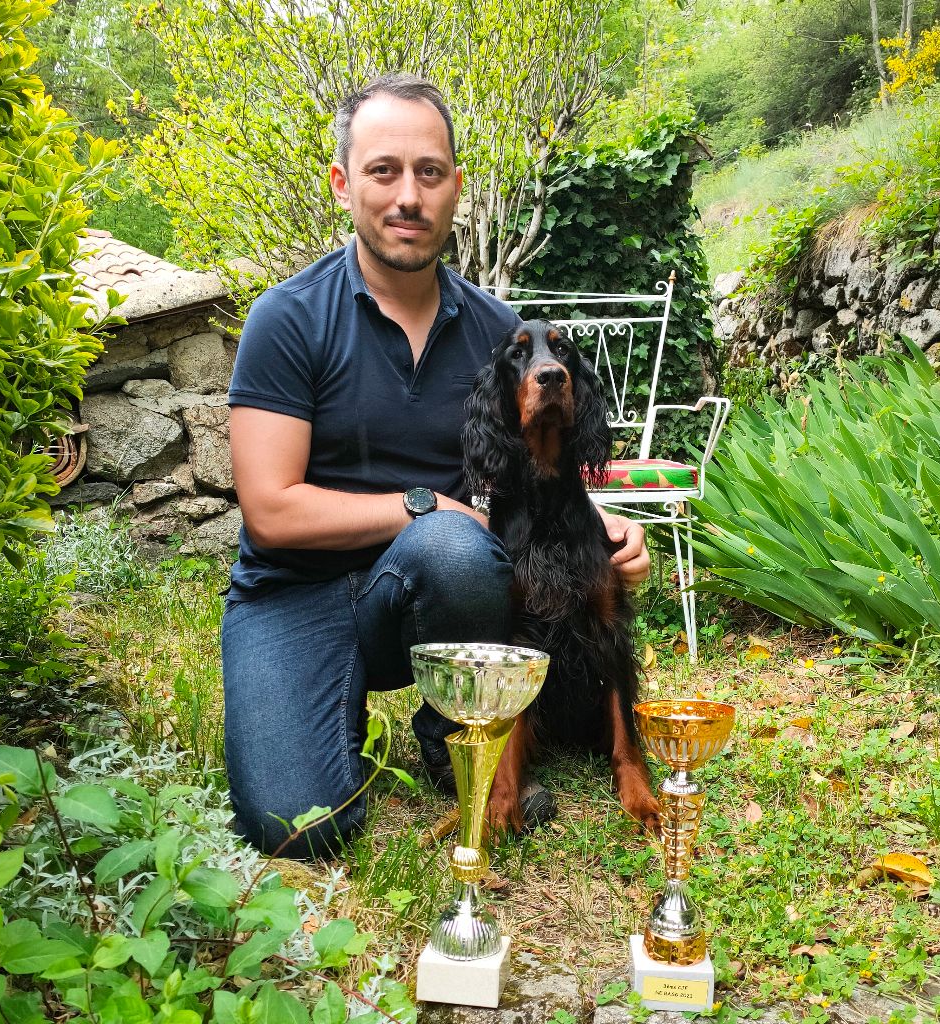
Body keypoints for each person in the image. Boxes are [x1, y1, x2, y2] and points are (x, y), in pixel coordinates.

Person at [223, 73, 650, 858]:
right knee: (300, 827)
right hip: (294, 594)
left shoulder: (497, 332)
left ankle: (448, 735)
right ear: (343, 183)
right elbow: (270, 510)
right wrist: (423, 504)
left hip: (430, 585)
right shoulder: (286, 317)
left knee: (454, 552)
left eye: (429, 171)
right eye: (383, 170)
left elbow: (535, 477)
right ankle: (328, 710)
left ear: (456, 186)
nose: (407, 196)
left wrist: (604, 525)